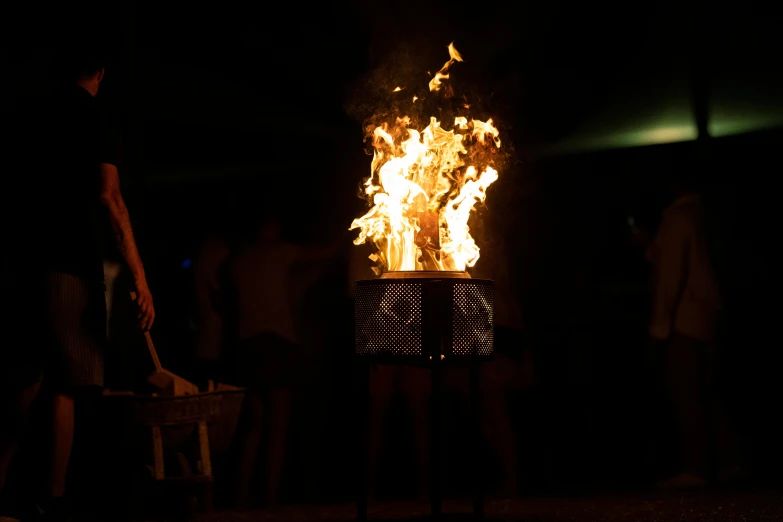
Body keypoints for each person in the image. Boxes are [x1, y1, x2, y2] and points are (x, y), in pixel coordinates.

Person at [0, 47, 154, 522]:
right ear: (102, 72)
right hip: (68, 265)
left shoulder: (28, 115)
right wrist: (140, 276)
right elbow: (110, 197)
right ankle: (52, 499)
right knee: (66, 386)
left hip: (22, 265)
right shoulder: (95, 118)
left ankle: (3, 491)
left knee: (23, 382)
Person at [224, 211, 338, 508]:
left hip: (247, 345)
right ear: (269, 226)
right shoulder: (281, 253)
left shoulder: (239, 261)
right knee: (278, 425)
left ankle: (241, 494)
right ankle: (271, 496)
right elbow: (325, 255)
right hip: (276, 344)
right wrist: (345, 233)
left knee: (253, 425)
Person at [647, 173, 744, 487]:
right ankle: (732, 462)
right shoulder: (702, 216)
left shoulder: (679, 220)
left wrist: (660, 327)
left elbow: (670, 277)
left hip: (686, 318)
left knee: (688, 392)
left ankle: (697, 469)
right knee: (706, 390)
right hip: (708, 314)